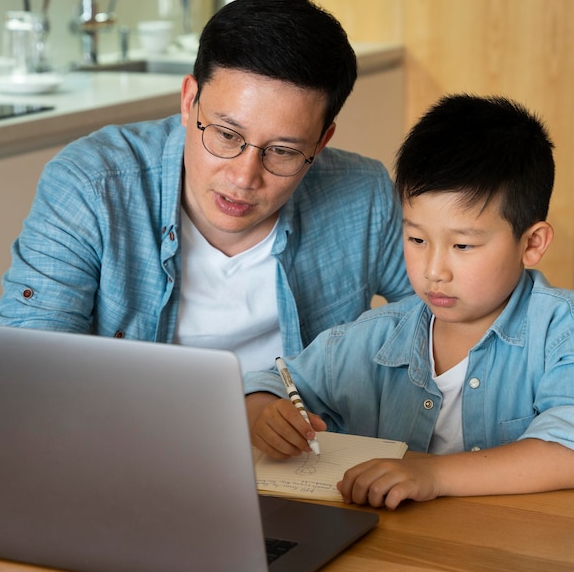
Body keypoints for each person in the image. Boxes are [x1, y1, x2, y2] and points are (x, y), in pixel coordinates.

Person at [0, 0, 412, 373]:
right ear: (188, 99)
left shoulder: (364, 192)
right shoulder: (92, 185)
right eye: (226, 135)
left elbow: (447, 319)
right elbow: (27, 368)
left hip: (311, 450)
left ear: (322, 142)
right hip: (125, 444)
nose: (244, 178)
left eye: (283, 151)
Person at [244, 93, 574, 508]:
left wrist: (432, 473)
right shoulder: (376, 336)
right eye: (416, 239)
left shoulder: (561, 333)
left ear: (532, 243)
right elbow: (269, 383)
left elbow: (567, 450)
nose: (434, 269)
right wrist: (265, 416)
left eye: (463, 246)